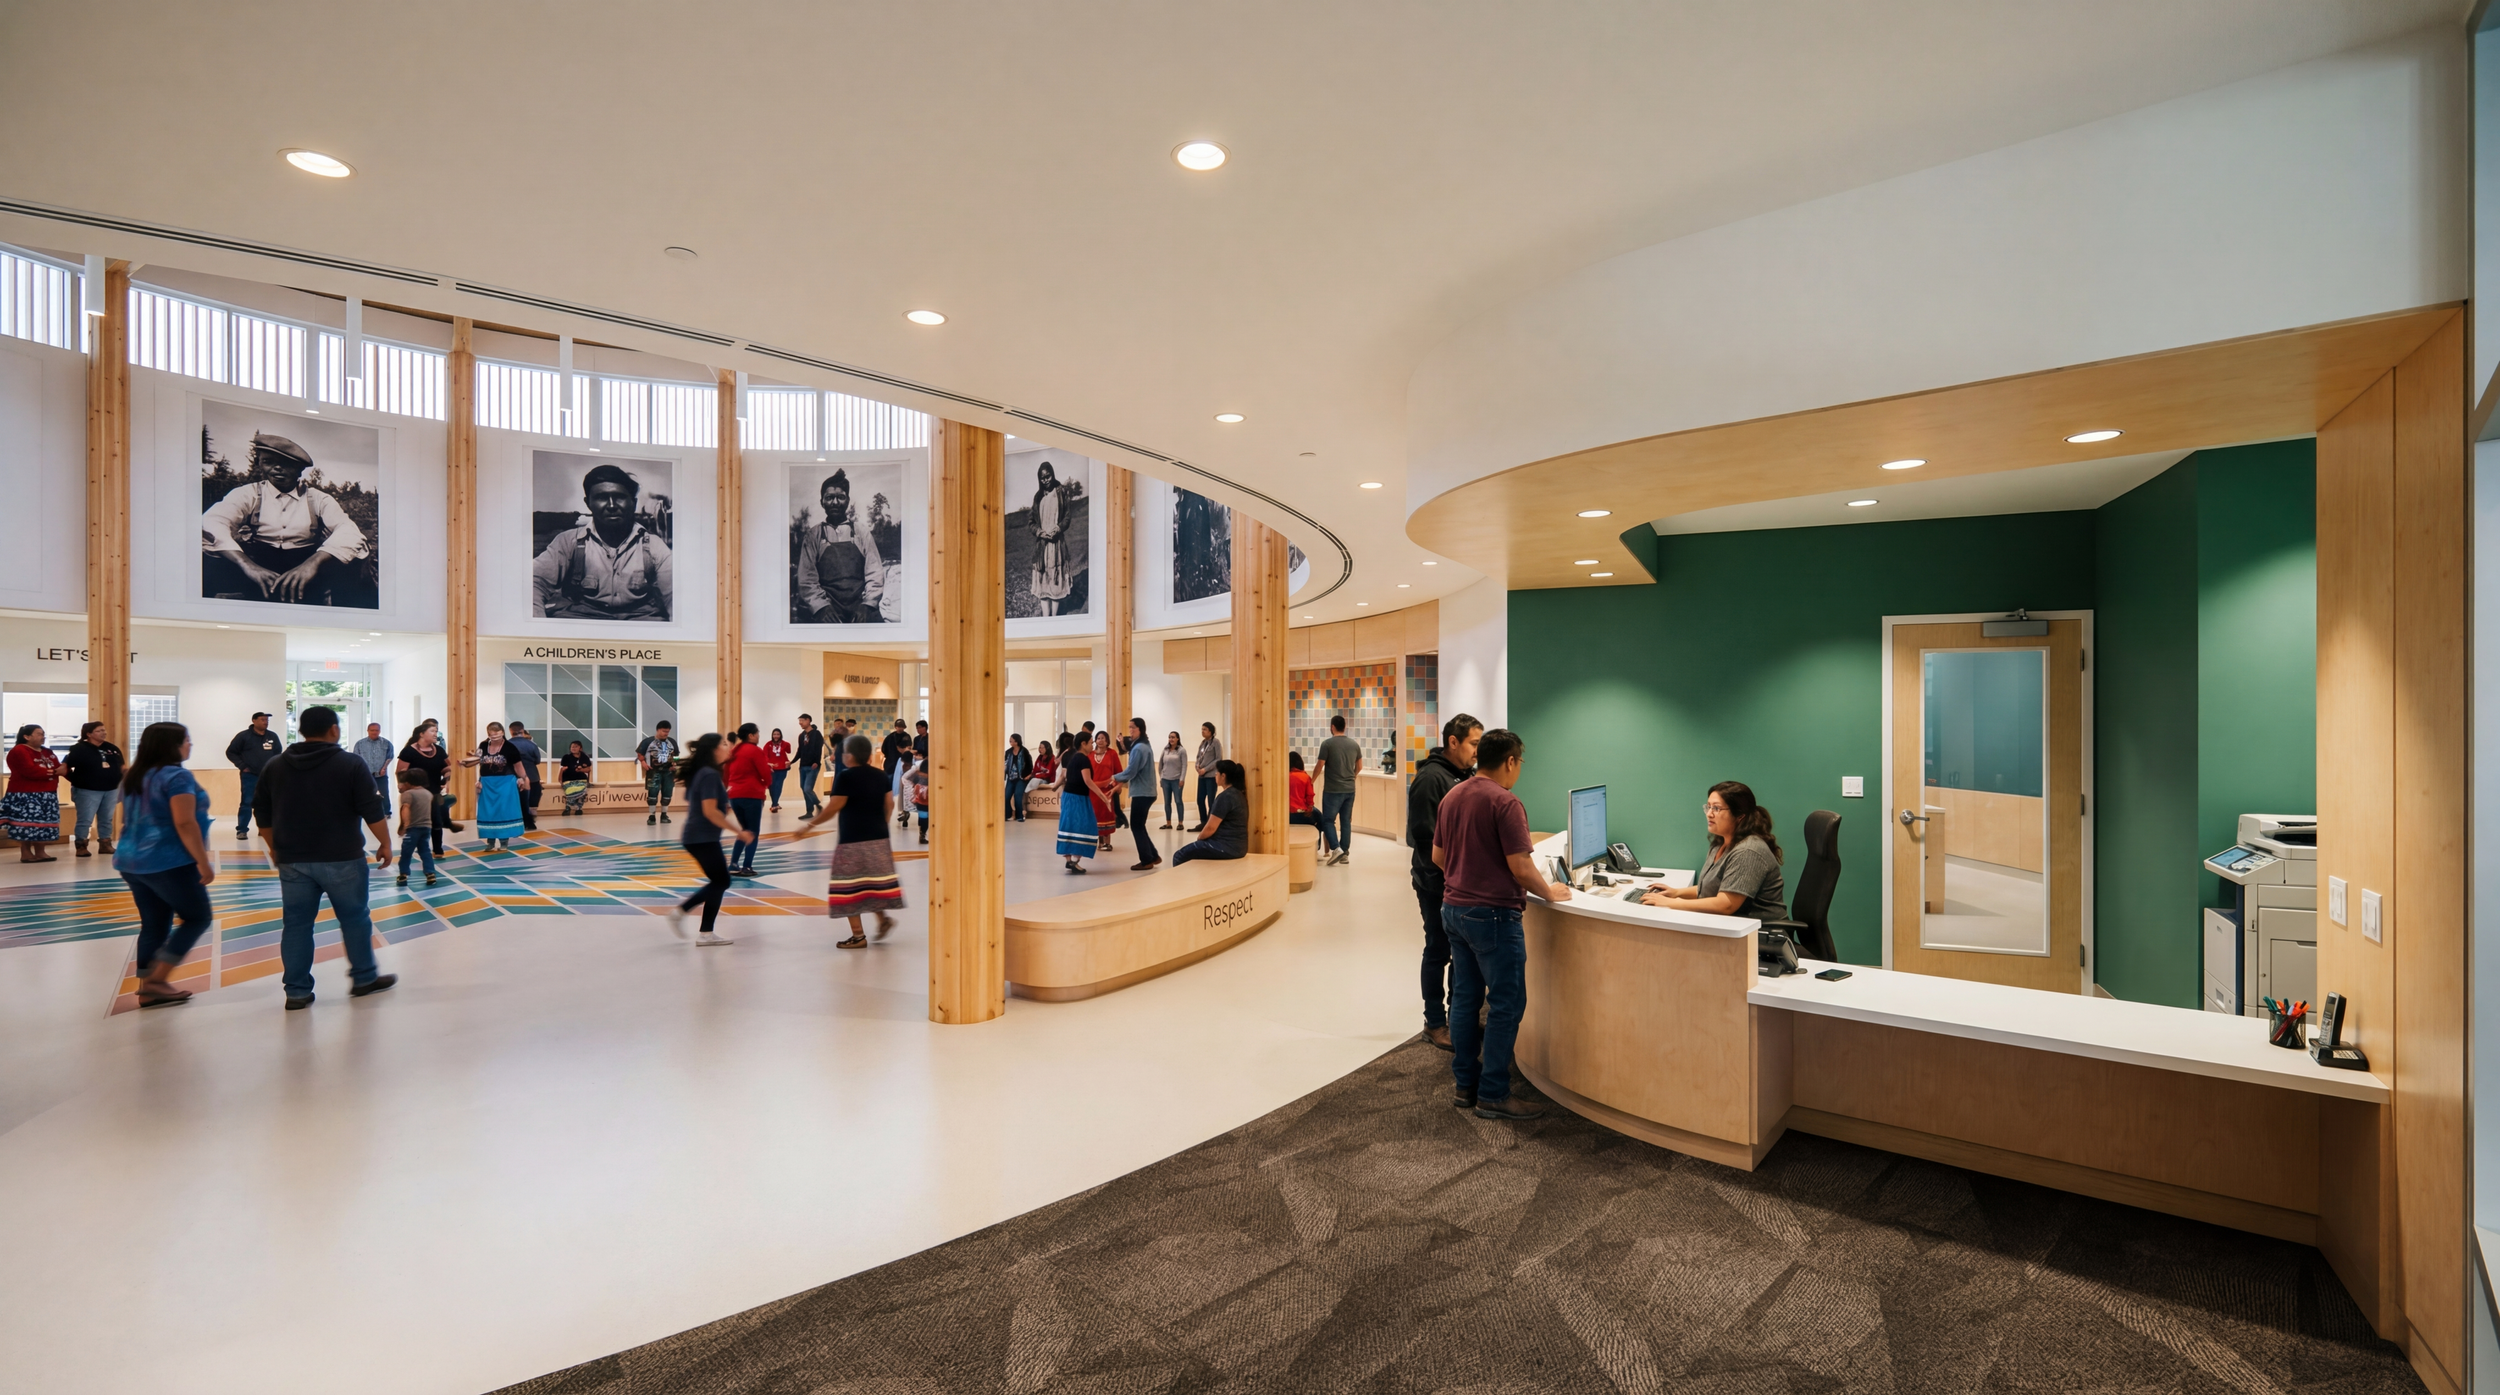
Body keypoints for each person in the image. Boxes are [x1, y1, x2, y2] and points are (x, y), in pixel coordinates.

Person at [1433, 728, 1569, 1121]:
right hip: (1492, 915)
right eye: (1520, 763)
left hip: (1454, 910)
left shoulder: (1452, 795)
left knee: (1465, 999)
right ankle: (1493, 1092)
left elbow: (1438, 856)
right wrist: (1550, 892)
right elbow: (1521, 867)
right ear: (1510, 761)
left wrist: (1469, 873)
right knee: (1507, 1003)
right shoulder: (1506, 803)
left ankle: (1465, 1085)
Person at [253, 705, 396, 1010]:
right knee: (355, 919)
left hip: (292, 860)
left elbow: (261, 812)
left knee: (296, 925)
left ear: (302, 730)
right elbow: (372, 810)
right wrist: (384, 842)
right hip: (342, 857)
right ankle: (364, 978)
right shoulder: (350, 764)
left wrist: (275, 847)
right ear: (334, 729)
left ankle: (296, 992)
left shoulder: (276, 765)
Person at [113, 722, 217, 1007]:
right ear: (171, 745)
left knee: (155, 924)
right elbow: (184, 822)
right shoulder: (177, 777)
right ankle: (158, 980)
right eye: (186, 740)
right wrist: (203, 862)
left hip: (131, 859)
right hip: (167, 861)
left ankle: (148, 987)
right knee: (198, 917)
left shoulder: (136, 774)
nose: (190, 745)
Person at [200, 432, 368, 605]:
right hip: (259, 560)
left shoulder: (318, 499)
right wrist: (247, 565)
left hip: (305, 562)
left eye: (286, 464)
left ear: (300, 469)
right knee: (206, 556)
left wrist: (312, 563)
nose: (276, 468)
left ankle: (345, 617)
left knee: (354, 558)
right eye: (268, 462)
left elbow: (348, 531)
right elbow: (212, 522)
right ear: (260, 464)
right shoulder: (248, 494)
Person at [1406, 712, 1482, 1052]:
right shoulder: (1430, 779)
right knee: (1438, 950)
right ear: (1453, 741)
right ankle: (1434, 1023)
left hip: (1459, 882)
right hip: (1435, 882)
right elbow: (1423, 837)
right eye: (1473, 744)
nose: (1477, 752)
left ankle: (1457, 1019)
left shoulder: (1463, 775)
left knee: (1460, 954)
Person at [793, 732, 903, 947]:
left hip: (853, 840)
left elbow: (833, 807)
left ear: (850, 756)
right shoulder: (880, 775)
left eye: (841, 752)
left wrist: (808, 826)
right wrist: (882, 824)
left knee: (849, 886)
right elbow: (889, 804)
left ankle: (858, 936)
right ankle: (883, 920)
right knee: (872, 882)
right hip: (879, 838)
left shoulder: (846, 777)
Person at [532, 463, 673, 620]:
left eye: (619, 497)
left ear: (633, 503)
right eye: (601, 498)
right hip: (581, 621)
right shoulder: (568, 542)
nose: (611, 505)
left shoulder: (653, 545)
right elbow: (534, 583)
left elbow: (675, 594)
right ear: (588, 503)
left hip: (640, 622)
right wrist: (536, 625)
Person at [1638, 781, 1790, 922]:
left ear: (1739, 816)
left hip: (1761, 934)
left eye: (1716, 808)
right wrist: (1677, 892)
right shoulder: (1720, 843)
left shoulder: (1748, 851)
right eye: (1708, 807)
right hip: (1731, 926)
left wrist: (1673, 903)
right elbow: (1715, 887)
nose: (1709, 814)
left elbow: (1726, 905)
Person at [665, 733, 749, 946]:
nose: (728, 746)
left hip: (700, 836)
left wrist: (724, 806)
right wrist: (739, 832)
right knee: (722, 881)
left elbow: (702, 804)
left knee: (719, 881)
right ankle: (681, 913)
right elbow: (710, 812)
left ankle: (706, 933)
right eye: (723, 744)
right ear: (713, 749)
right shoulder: (710, 774)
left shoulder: (704, 773)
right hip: (701, 837)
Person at [794, 468, 886, 623]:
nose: (835, 502)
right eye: (829, 498)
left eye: (840, 497)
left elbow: (875, 573)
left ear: (848, 501)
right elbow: (806, 579)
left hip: (859, 607)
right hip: (827, 608)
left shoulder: (861, 532)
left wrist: (868, 605)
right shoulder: (814, 535)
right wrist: (821, 607)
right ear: (822, 502)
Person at [63, 721, 126, 857]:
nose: (103, 733)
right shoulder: (79, 749)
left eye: (104, 730)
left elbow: (121, 766)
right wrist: (76, 780)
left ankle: (105, 843)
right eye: (99, 731)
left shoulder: (112, 748)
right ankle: (81, 845)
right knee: (85, 819)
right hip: (87, 789)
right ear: (89, 734)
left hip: (111, 789)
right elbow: (66, 766)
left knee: (106, 818)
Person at [463, 722, 529, 850]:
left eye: (497, 736)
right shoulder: (483, 745)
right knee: (488, 812)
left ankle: (504, 842)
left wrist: (523, 778)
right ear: (488, 735)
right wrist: (477, 777)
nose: (495, 739)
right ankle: (490, 842)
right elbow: (479, 761)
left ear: (503, 733)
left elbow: (518, 766)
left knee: (503, 811)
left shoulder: (510, 748)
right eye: (492, 736)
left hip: (506, 783)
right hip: (487, 784)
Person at [1171, 760, 1249, 866]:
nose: (1215, 774)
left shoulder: (1225, 797)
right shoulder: (1238, 794)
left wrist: (1199, 839)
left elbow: (1210, 828)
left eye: (1217, 772)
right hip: (1240, 847)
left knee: (1179, 855)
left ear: (1223, 776)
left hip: (1226, 847)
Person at [4, 725, 61, 862]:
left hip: (48, 793)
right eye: (39, 734)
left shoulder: (47, 752)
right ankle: (26, 852)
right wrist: (53, 772)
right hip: (25, 793)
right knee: (27, 824)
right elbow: (30, 771)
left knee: (43, 824)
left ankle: (40, 852)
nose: (43, 736)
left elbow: (58, 767)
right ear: (27, 737)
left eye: (43, 733)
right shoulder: (19, 751)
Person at [395, 721, 452, 857]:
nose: (435, 734)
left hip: (434, 792)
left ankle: (438, 849)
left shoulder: (439, 750)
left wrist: (446, 778)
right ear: (422, 734)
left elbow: (447, 768)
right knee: (417, 823)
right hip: (415, 794)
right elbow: (401, 771)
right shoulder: (409, 751)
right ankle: (415, 847)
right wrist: (402, 785)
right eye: (432, 731)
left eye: (436, 731)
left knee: (436, 820)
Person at [1026, 460, 1075, 616]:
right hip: (1042, 546)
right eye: (1042, 477)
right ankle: (1046, 619)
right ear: (1039, 479)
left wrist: (1058, 528)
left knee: (1055, 581)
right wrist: (1039, 532)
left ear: (1052, 475)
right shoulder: (1038, 497)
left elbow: (1067, 517)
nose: (1045, 480)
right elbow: (1031, 522)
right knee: (1043, 584)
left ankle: (1054, 618)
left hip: (1056, 545)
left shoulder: (1060, 493)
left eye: (1048, 476)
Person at [722, 724, 772, 875]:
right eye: (757, 734)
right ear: (751, 735)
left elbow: (726, 773)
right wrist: (765, 784)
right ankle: (747, 866)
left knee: (744, 830)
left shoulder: (734, 751)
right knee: (753, 831)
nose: (758, 736)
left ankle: (733, 864)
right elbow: (765, 773)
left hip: (735, 795)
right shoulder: (756, 751)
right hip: (752, 794)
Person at [226, 712, 281, 840]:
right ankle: (242, 830)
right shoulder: (243, 736)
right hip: (250, 775)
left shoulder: (272, 736)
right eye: (262, 719)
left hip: (268, 776)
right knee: (247, 802)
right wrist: (242, 765)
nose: (265, 722)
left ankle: (264, 829)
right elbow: (231, 752)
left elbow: (277, 753)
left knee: (268, 803)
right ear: (254, 721)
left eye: (267, 720)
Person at [1317, 714, 1363, 866]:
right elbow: (1360, 766)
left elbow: (1320, 765)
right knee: (1346, 821)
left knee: (1328, 820)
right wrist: (1352, 777)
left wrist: (1311, 780)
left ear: (1332, 727)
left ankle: (1336, 849)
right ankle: (1345, 854)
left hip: (1333, 789)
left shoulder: (1327, 744)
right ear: (1345, 727)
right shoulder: (1354, 744)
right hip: (1350, 789)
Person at [1053, 735, 1097, 873]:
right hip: (1078, 798)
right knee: (1084, 827)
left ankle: (1069, 860)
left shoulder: (1069, 755)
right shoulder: (1082, 759)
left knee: (1068, 826)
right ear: (1083, 744)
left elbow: (1063, 775)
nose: (1093, 746)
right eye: (1091, 743)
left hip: (1068, 796)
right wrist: (1103, 796)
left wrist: (1054, 787)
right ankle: (1074, 860)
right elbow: (1087, 781)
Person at [1121, 718, 1160, 870]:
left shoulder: (1139, 748)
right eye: (1129, 727)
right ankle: (1153, 856)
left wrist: (1114, 778)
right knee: (1140, 825)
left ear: (1141, 729)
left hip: (1142, 793)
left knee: (1136, 826)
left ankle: (1146, 860)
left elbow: (1131, 771)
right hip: (1146, 792)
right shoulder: (1143, 745)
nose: (1130, 730)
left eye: (1133, 728)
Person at [395, 771, 437, 887]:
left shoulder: (408, 794)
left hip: (413, 829)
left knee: (406, 852)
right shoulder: (428, 794)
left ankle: (403, 875)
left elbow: (405, 809)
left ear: (408, 783)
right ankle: (430, 873)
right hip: (426, 827)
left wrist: (404, 825)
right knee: (425, 851)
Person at [637, 720, 678, 826]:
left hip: (668, 773)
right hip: (653, 772)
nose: (666, 733)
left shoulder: (672, 742)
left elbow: (676, 756)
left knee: (667, 794)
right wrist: (643, 763)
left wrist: (675, 765)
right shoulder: (648, 741)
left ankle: (664, 815)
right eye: (664, 731)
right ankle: (652, 816)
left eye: (668, 732)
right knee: (652, 794)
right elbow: (640, 754)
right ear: (658, 730)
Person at [506, 721, 545, 832]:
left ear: (510, 731)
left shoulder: (507, 745)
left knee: (517, 801)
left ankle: (518, 821)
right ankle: (530, 822)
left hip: (513, 777)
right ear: (522, 731)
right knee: (531, 800)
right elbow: (537, 760)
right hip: (532, 776)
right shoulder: (532, 745)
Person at [1087, 731, 1121, 852]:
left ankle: (1107, 842)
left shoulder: (1112, 754)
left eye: (1103, 738)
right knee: (1095, 814)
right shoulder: (1090, 754)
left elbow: (1118, 772)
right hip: (1093, 790)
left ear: (1107, 741)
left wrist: (1117, 786)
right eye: (1098, 738)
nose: (1100, 740)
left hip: (1107, 790)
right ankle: (1099, 842)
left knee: (1106, 813)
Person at [1287, 750, 1327, 852]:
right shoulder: (1305, 777)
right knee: (1321, 821)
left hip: (1287, 814)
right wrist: (1309, 808)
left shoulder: (1284, 777)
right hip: (1302, 813)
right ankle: (1316, 848)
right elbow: (1310, 796)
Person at [351, 721, 396, 802]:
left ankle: (386, 813)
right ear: (368, 731)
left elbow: (390, 756)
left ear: (380, 731)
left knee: (384, 794)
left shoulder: (386, 743)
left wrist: (384, 768)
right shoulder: (360, 744)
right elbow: (356, 758)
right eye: (372, 730)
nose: (374, 732)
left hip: (381, 774)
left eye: (377, 730)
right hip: (365, 775)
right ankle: (365, 813)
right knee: (364, 794)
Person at [794, 713, 826, 818]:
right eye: (799, 721)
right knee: (804, 788)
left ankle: (818, 805)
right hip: (803, 765)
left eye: (802, 720)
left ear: (808, 720)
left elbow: (818, 749)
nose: (800, 723)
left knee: (808, 788)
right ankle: (809, 812)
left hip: (813, 766)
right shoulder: (801, 735)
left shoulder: (817, 734)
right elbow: (800, 751)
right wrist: (792, 761)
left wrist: (816, 761)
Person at [1192, 723, 1222, 830]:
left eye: (1204, 729)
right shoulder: (1203, 743)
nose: (1202, 731)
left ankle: (1210, 824)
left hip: (1210, 776)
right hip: (1201, 776)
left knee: (1210, 800)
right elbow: (1198, 756)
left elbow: (1218, 759)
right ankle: (1203, 822)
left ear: (1210, 731)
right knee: (1200, 800)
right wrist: (1197, 766)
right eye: (1202, 729)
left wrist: (1205, 769)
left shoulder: (1216, 742)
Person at [1156, 731, 1184, 829]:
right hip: (1165, 780)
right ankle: (1168, 823)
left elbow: (1184, 766)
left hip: (1176, 780)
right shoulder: (1165, 749)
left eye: (1173, 737)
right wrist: (1161, 777)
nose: (1171, 739)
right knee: (1167, 802)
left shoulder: (1181, 750)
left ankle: (1180, 823)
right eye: (1169, 737)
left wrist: (1182, 779)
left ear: (1178, 739)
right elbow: (1160, 764)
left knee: (1178, 801)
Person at [558, 740, 594, 815]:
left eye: (575, 747)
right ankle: (568, 807)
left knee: (581, 788)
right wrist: (560, 780)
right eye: (572, 747)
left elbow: (588, 769)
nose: (573, 748)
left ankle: (578, 808)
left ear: (580, 748)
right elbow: (562, 769)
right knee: (570, 789)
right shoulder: (566, 757)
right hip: (568, 778)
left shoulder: (585, 757)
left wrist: (581, 770)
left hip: (581, 778)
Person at [1003, 734, 1032, 822]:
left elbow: (1030, 765)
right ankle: (1008, 815)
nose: (1010, 742)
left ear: (1016, 741)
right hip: (1011, 777)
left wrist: (1028, 775)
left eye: (1011, 740)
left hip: (1021, 778)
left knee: (1017, 795)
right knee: (1006, 796)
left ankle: (1020, 816)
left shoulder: (1024, 751)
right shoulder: (1008, 752)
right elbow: (1005, 764)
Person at [763, 727, 793, 811]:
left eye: (778, 734)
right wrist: (769, 764)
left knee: (778, 786)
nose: (776, 736)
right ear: (772, 735)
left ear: (780, 735)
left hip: (782, 768)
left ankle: (774, 804)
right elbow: (764, 755)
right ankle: (775, 803)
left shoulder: (784, 744)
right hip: (772, 768)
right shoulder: (768, 744)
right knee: (771, 786)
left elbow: (789, 750)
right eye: (774, 734)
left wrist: (785, 744)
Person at [906, 753, 930, 845]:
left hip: (920, 800)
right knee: (927, 818)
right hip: (929, 800)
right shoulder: (934, 777)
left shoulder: (917, 775)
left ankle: (922, 834)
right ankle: (923, 834)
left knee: (922, 817)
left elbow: (908, 779)